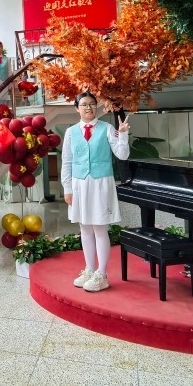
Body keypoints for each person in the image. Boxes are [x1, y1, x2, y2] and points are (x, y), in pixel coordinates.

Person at [61, 92, 130, 292]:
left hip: (101, 183)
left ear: (97, 107)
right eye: (84, 104)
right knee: (85, 228)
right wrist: (67, 188)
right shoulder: (71, 132)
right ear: (77, 108)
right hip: (80, 184)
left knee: (100, 228)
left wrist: (123, 134)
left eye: (92, 104)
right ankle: (90, 269)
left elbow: (122, 155)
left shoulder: (107, 128)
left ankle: (102, 274)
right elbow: (67, 162)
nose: (88, 108)